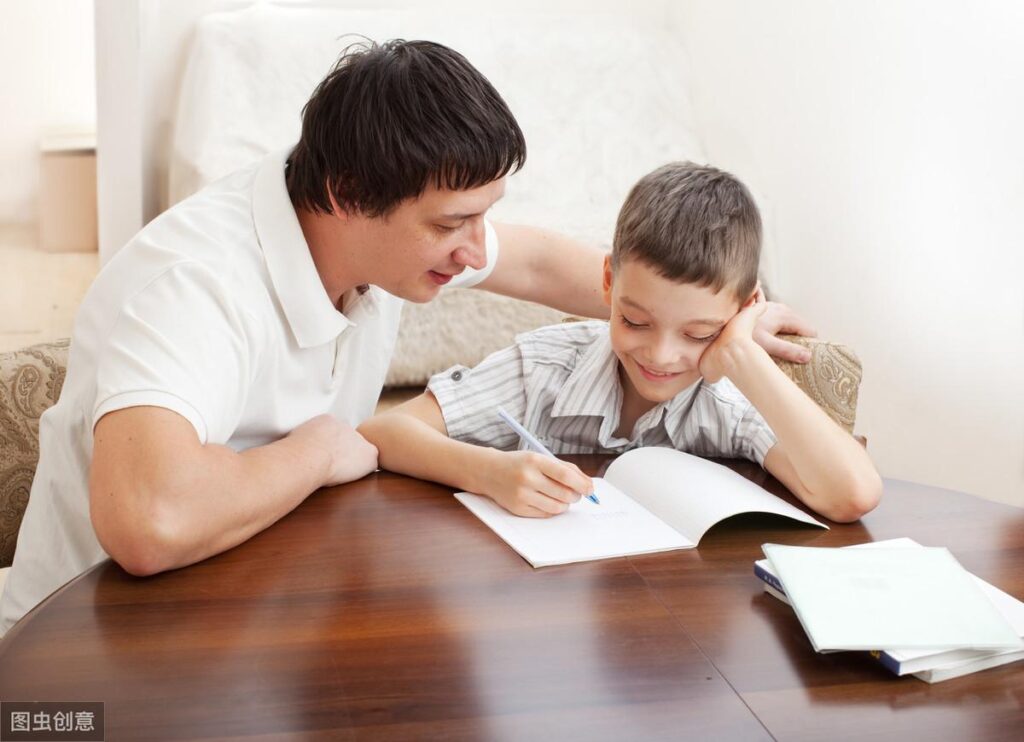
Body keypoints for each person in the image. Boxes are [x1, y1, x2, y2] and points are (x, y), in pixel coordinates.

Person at [0, 41, 812, 635]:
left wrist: (701, 322)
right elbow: (150, 522)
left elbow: (533, 264)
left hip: (254, 609)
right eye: (454, 225)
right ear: (348, 194)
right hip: (85, 639)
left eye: (482, 216)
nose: (473, 249)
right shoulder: (194, 283)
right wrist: (321, 447)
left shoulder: (381, 239)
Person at [359, 162, 882, 523]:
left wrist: (744, 355)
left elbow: (852, 495)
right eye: (635, 321)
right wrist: (488, 472)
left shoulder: (728, 399)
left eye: (699, 334)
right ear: (608, 282)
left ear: (742, 311)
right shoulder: (543, 369)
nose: (660, 355)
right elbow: (382, 431)